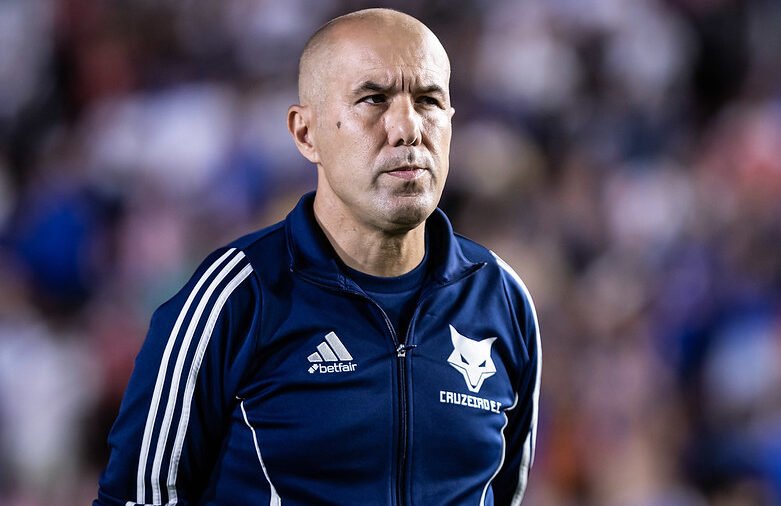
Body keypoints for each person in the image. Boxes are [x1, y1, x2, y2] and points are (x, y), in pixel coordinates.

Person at [94, 8, 541, 506]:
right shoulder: (234, 298)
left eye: (428, 100)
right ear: (306, 134)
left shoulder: (503, 298)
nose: (408, 128)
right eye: (374, 99)